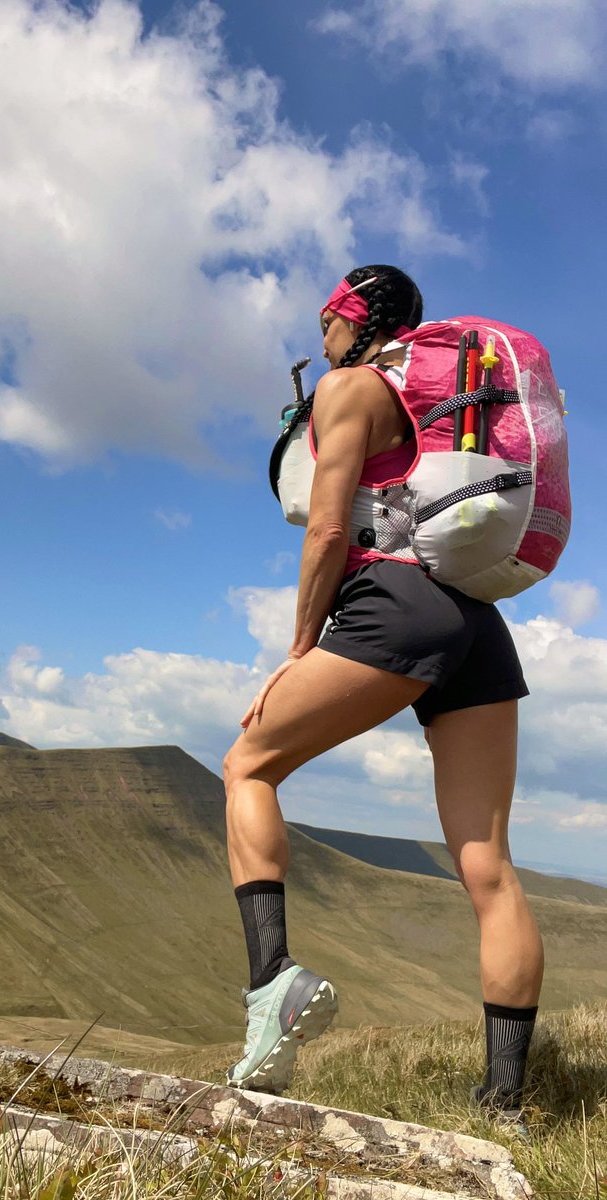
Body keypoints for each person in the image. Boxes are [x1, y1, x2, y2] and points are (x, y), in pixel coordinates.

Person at [223, 265, 542, 1127]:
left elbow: (330, 528)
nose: (320, 333)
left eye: (327, 317)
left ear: (352, 319)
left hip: (395, 605)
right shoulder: (431, 414)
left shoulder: (349, 387)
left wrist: (299, 648)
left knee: (248, 765)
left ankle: (271, 987)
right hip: (476, 622)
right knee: (489, 865)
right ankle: (503, 1103)